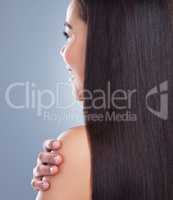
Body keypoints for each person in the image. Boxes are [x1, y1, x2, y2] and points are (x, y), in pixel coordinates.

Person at [31, 0, 173, 199]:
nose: (62, 52)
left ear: (104, 44)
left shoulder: (79, 153)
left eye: (69, 34)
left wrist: (75, 161)